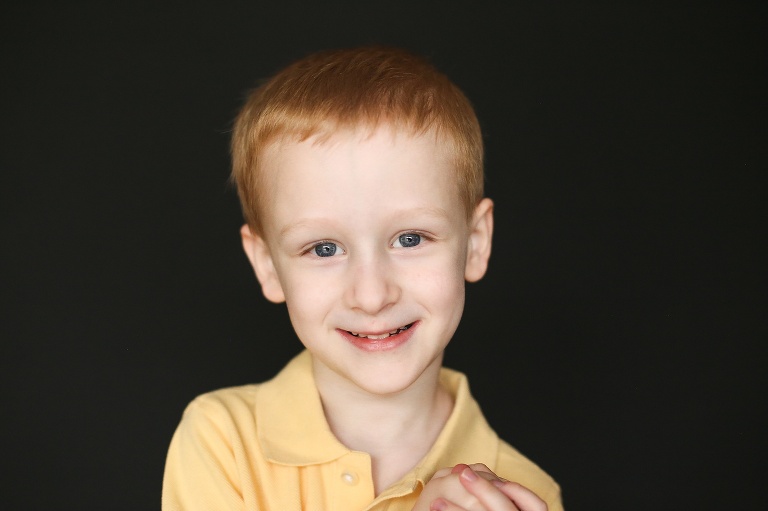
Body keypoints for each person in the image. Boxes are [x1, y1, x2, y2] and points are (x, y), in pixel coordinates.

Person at [162, 46, 563, 511]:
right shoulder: (221, 440)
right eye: (324, 249)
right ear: (267, 266)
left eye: (410, 239)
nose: (372, 296)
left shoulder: (523, 493)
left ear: (475, 243)